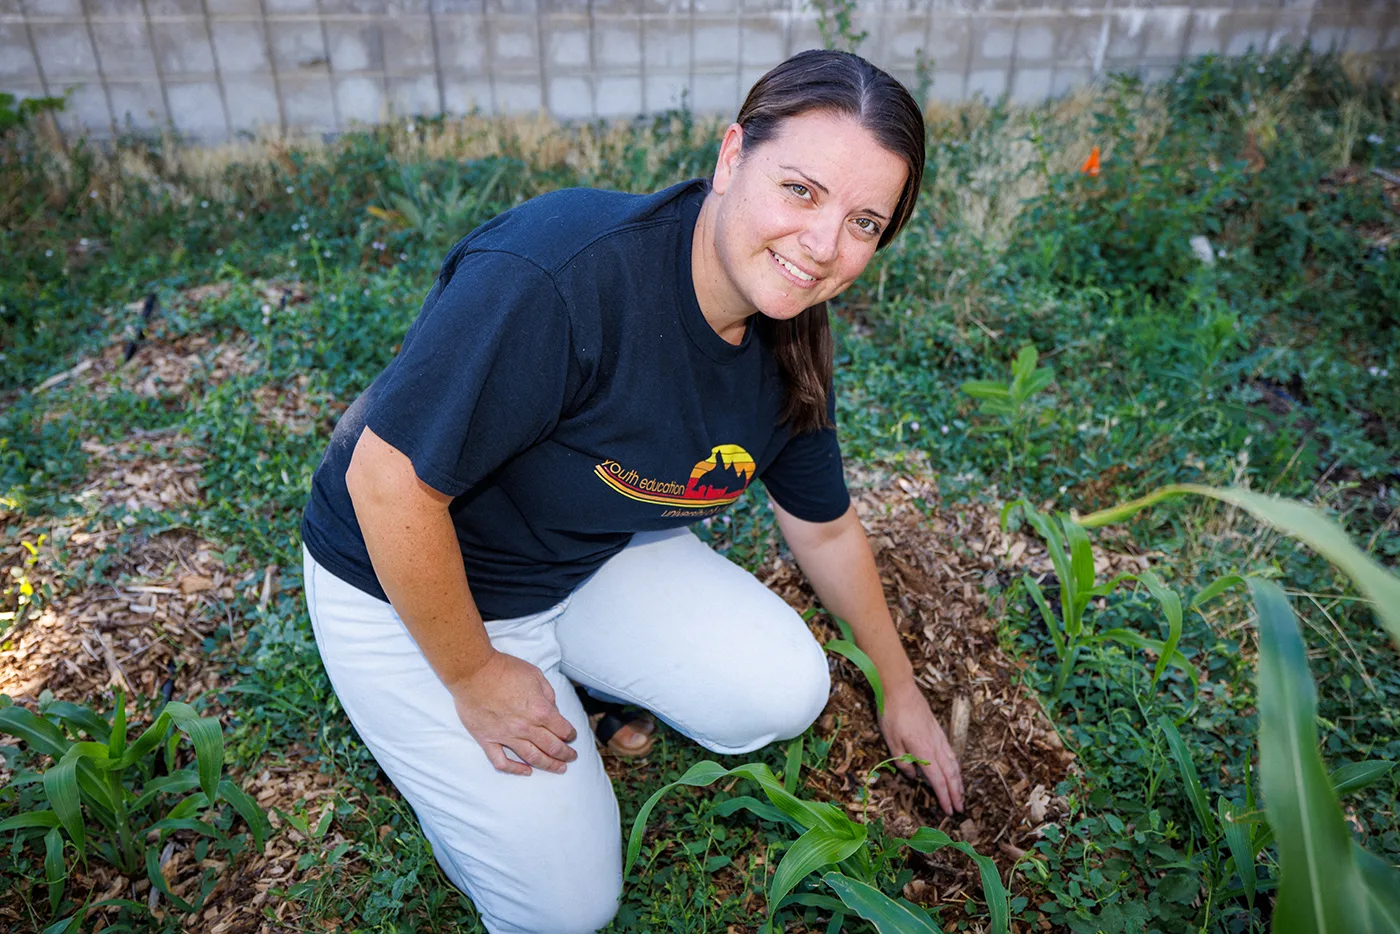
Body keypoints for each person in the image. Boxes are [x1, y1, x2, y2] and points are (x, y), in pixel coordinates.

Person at [300, 48, 964, 934]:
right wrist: (475, 674)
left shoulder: (789, 328)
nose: (823, 247)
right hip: (401, 586)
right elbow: (384, 483)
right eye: (800, 190)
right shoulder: (560, 275)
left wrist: (898, 685)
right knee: (569, 907)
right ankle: (479, 731)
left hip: (580, 556)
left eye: (864, 222)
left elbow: (825, 528)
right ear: (732, 157)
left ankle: (579, 679)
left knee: (783, 689)